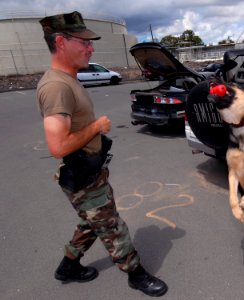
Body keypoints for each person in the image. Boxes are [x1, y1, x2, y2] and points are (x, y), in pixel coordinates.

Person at [36, 11, 167, 297]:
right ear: (61, 42)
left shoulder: (68, 79)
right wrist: (97, 126)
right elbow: (57, 146)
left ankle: (68, 266)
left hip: (90, 169)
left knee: (91, 222)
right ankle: (135, 273)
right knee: (111, 225)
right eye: (84, 42)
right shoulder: (56, 85)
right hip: (83, 174)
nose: (90, 47)